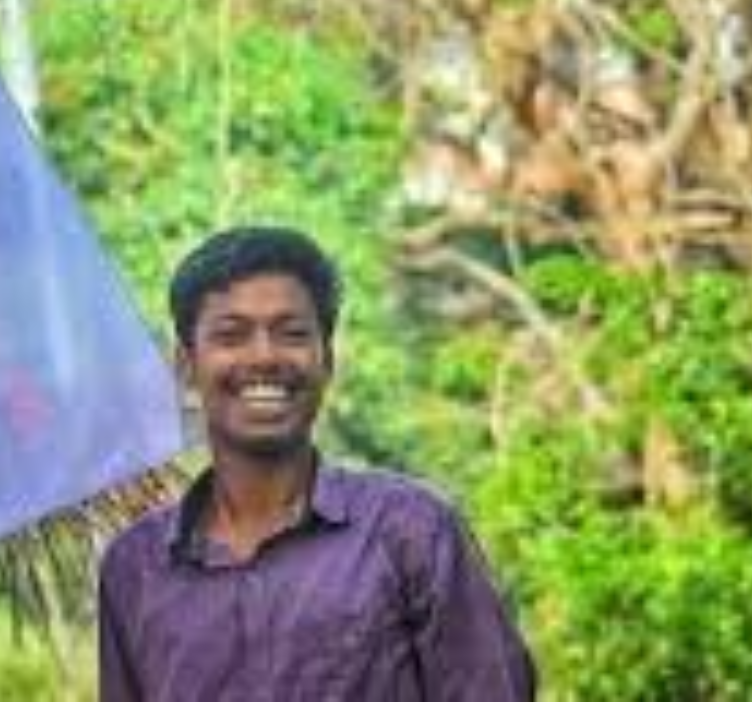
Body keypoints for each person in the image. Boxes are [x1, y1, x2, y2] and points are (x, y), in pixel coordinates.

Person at [98, 225, 536, 701]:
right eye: (232, 335)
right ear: (186, 366)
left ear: (327, 360)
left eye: (291, 334)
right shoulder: (135, 568)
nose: (264, 356)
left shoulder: (411, 534)